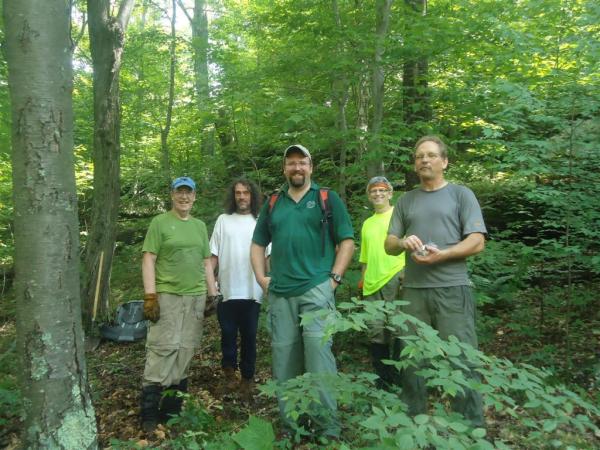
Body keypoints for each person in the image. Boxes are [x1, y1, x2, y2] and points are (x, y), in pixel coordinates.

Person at [250, 144, 354, 438]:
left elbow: (347, 240)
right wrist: (261, 277)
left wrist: (333, 279)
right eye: (291, 163)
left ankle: (326, 429)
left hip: (316, 291)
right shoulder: (273, 202)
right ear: (284, 168)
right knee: (284, 363)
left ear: (311, 167)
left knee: (319, 360)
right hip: (281, 294)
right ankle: (293, 427)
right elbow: (258, 243)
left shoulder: (326, 199)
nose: (297, 168)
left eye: (302, 163)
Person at [384, 135, 486, 427]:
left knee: (461, 360)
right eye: (419, 156)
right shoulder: (406, 200)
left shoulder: (461, 194)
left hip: (453, 290)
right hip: (413, 293)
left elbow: (477, 242)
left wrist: (443, 254)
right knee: (412, 362)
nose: (424, 160)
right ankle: (414, 428)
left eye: (430, 155)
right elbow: (389, 244)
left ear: (444, 161)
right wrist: (403, 242)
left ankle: (470, 430)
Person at [140, 176, 217, 432]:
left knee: (185, 349)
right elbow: (149, 259)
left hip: (195, 298)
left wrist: (212, 293)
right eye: (179, 192)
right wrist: (150, 296)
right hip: (168, 296)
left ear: (195, 196)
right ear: (172, 195)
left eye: (189, 193)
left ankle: (171, 413)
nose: (184, 197)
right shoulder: (160, 223)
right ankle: (149, 416)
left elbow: (207, 262)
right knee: (163, 349)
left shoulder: (198, 226)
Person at [209, 178, 267, 401]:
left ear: (252, 196)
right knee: (228, 334)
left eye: (246, 193)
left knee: (250, 336)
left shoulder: (260, 221)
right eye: (238, 193)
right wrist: (209, 284)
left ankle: (248, 378)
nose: (242, 197)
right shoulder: (223, 220)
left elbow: (267, 255)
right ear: (233, 196)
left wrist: (271, 281)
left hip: (253, 290)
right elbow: (213, 255)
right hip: (227, 290)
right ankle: (229, 374)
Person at [358, 176, 406, 390]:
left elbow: (411, 246)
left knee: (398, 330)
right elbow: (365, 258)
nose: (378, 194)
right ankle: (383, 380)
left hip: (396, 278)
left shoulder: (399, 216)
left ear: (390, 193)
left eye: (382, 190)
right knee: (376, 333)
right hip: (372, 285)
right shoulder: (367, 223)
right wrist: (362, 280)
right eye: (373, 191)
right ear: (369, 196)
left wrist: (409, 274)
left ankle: (400, 379)